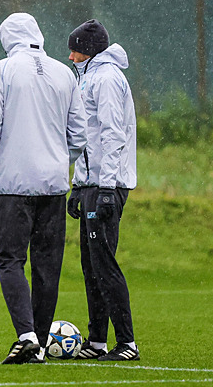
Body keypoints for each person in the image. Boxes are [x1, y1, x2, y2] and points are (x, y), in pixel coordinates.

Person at [0, 12, 87, 364]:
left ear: (7, 38)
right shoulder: (64, 72)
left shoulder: (4, 70)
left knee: (10, 259)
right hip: (53, 185)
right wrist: (57, 160)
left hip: (14, 184)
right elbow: (79, 135)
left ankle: (26, 336)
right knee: (47, 265)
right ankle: (39, 341)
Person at [66, 19, 139, 361]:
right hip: (93, 184)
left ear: (90, 50)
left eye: (76, 49)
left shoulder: (107, 78)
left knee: (105, 264)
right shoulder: (89, 77)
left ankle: (127, 344)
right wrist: (79, 186)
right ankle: (96, 343)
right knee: (91, 266)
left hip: (107, 185)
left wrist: (107, 187)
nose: (70, 55)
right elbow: (86, 139)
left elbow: (112, 134)